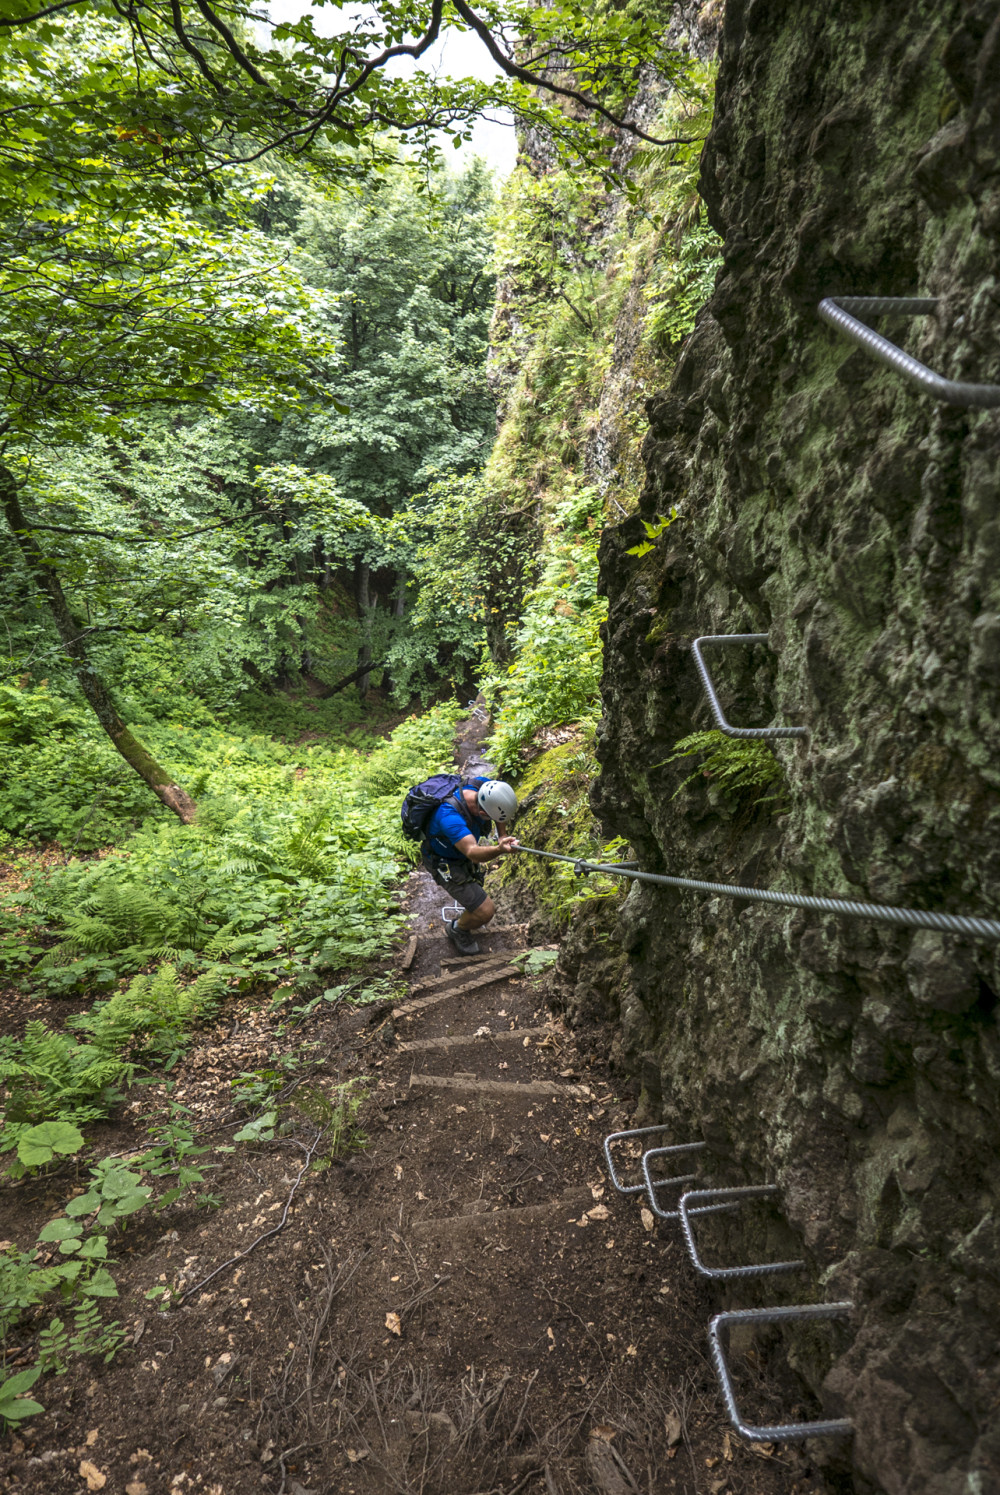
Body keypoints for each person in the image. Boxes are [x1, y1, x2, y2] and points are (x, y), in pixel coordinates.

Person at [422, 777, 520, 954]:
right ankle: (457, 929)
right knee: (485, 912)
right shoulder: (448, 816)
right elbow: (473, 853)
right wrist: (500, 849)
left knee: (475, 900)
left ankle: (467, 913)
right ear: (483, 814)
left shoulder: (483, 787)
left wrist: (502, 834)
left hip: (460, 853)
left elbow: (498, 810)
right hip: (445, 863)